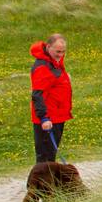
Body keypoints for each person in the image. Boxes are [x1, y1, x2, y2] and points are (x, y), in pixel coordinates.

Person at [30, 33, 72, 163]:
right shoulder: (43, 66)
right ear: (48, 47)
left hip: (57, 115)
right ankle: (38, 183)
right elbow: (37, 95)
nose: (61, 54)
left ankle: (49, 182)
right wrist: (43, 118)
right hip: (48, 119)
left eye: (63, 51)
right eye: (58, 51)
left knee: (51, 155)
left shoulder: (55, 62)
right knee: (44, 156)